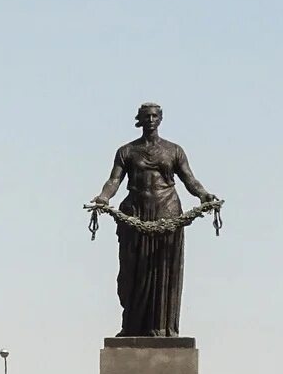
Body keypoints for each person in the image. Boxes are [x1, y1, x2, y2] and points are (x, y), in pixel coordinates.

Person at [92, 102, 218, 337]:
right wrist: (103, 197)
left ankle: (160, 327)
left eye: (154, 116)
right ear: (140, 120)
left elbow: (189, 179)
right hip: (136, 214)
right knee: (132, 273)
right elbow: (113, 181)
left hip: (166, 212)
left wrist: (203, 195)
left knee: (162, 270)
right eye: (146, 116)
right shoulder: (126, 151)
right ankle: (131, 326)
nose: (150, 119)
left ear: (160, 119)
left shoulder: (174, 150)